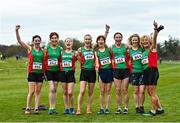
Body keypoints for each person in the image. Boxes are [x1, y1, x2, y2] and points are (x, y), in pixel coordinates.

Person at [76, 25, 110, 115]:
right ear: (84, 40)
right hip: (84, 71)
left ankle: (88, 108)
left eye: (89, 39)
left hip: (92, 72)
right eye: (86, 39)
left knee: (90, 92)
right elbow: (79, 59)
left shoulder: (94, 49)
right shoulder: (81, 49)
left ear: (91, 41)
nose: (87, 40)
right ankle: (78, 108)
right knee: (82, 91)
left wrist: (106, 31)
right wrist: (79, 58)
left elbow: (102, 40)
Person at [15, 25, 44, 114]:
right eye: (36, 41)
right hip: (32, 72)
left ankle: (36, 108)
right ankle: (28, 107)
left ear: (40, 42)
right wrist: (16, 31)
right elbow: (20, 41)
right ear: (33, 41)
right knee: (31, 91)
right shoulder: (30, 48)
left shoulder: (43, 50)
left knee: (38, 91)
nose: (37, 42)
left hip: (40, 73)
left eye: (38, 41)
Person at [140, 21, 164, 116]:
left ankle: (153, 111)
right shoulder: (143, 52)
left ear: (149, 41)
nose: (145, 41)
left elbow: (154, 39)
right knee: (150, 92)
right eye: (143, 40)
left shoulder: (152, 48)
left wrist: (155, 29)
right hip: (146, 72)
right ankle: (160, 108)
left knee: (152, 92)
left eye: (146, 40)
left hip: (152, 71)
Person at [110, 32, 130, 114]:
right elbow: (109, 57)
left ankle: (126, 108)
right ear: (114, 38)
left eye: (119, 37)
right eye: (116, 37)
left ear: (121, 38)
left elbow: (132, 49)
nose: (118, 39)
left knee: (125, 89)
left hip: (125, 69)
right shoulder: (111, 47)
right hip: (116, 70)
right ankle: (119, 108)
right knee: (117, 90)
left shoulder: (125, 46)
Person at [44, 32, 62, 115]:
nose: (54, 39)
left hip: (57, 71)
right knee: (51, 88)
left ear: (57, 39)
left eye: (56, 38)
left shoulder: (60, 49)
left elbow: (61, 60)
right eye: (53, 38)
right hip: (49, 70)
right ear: (50, 39)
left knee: (55, 89)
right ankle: (50, 107)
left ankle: (53, 108)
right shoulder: (46, 48)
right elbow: (43, 59)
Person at [95, 35, 113, 114]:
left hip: (109, 71)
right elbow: (96, 61)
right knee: (102, 91)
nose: (101, 41)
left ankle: (107, 108)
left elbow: (113, 58)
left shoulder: (109, 50)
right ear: (97, 42)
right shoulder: (96, 52)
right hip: (101, 71)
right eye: (99, 40)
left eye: (102, 40)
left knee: (108, 91)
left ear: (104, 42)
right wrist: (97, 66)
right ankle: (101, 108)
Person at [59, 38, 78, 115]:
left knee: (70, 92)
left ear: (72, 43)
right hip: (63, 73)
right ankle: (66, 108)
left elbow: (81, 60)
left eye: (70, 41)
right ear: (64, 43)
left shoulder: (74, 53)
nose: (68, 43)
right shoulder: (61, 53)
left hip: (71, 73)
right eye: (67, 41)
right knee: (65, 92)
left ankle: (72, 107)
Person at [128, 33, 145, 114]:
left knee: (141, 91)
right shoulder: (129, 50)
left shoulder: (142, 49)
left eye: (136, 40)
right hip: (134, 72)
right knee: (135, 91)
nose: (135, 41)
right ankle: (136, 107)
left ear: (138, 41)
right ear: (131, 41)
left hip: (142, 72)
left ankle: (141, 106)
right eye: (133, 40)